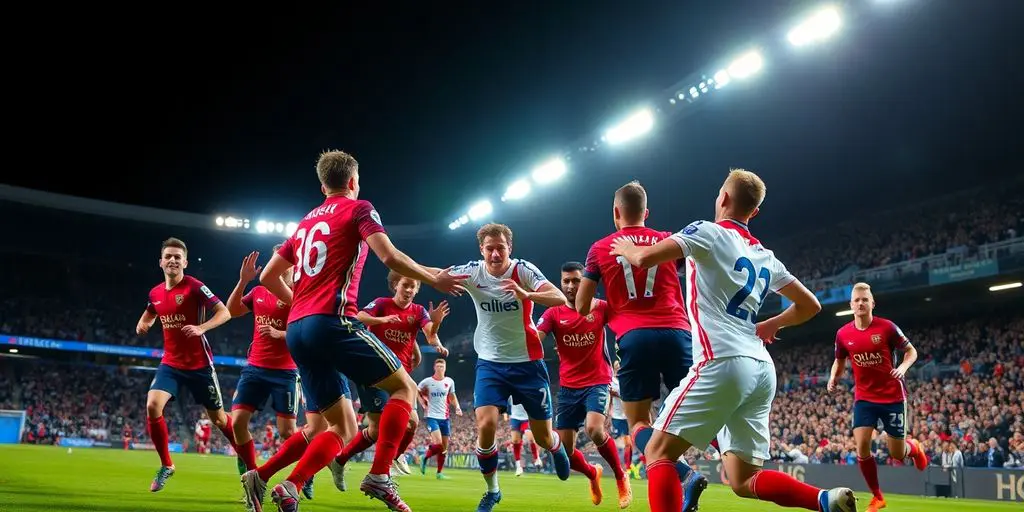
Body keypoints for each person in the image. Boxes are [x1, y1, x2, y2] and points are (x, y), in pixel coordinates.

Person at [610, 169, 856, 512]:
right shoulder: (764, 255)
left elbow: (644, 258)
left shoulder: (706, 232)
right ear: (753, 212)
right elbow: (810, 305)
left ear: (723, 198)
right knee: (743, 480)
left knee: (658, 452)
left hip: (721, 361)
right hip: (760, 369)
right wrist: (772, 323)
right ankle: (824, 499)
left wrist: (626, 246)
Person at [244, 149, 464, 512]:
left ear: (322, 186)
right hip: (332, 322)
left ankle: (280, 482)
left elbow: (268, 277)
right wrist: (433, 278)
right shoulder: (359, 208)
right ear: (353, 181)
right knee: (405, 388)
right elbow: (390, 257)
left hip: (299, 328)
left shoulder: (304, 223)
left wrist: (299, 302)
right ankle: (379, 476)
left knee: (340, 428)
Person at [574, 180, 696, 495]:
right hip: (679, 334)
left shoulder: (600, 248)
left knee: (639, 424)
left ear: (616, 212)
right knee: (694, 411)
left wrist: (610, 302)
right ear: (646, 212)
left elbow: (582, 305)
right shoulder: (669, 240)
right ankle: (732, 455)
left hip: (634, 337)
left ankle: (685, 474)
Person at [444, 223, 572, 512]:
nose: (495, 253)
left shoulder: (523, 270)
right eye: (489, 248)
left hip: (528, 364)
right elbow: (436, 275)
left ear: (509, 248)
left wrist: (528, 295)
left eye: (500, 247)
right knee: (486, 425)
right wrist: (402, 263)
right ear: (481, 250)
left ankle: (554, 446)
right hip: (490, 364)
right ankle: (493, 491)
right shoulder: (474, 272)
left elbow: (559, 298)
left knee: (541, 435)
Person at [329, 271, 451, 485]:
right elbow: (358, 317)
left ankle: (391, 459)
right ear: (395, 285)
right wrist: (381, 319)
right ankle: (344, 461)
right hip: (373, 372)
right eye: (406, 285)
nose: (410, 290)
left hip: (400, 378)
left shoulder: (419, 311)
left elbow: (430, 335)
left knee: (412, 423)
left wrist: (437, 326)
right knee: (376, 430)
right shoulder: (381, 304)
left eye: (414, 287)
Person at [136, 237, 238, 492]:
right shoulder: (156, 292)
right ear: (160, 262)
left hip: (200, 365)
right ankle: (167, 465)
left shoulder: (195, 287)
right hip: (171, 363)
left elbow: (224, 312)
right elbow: (151, 310)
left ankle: (243, 454)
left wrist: (201, 327)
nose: (172, 260)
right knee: (152, 405)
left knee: (219, 420)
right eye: (168, 256)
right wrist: (144, 323)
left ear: (185, 262)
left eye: (177, 257)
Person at [537, 261, 631, 508]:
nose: (570, 285)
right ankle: (592, 473)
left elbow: (626, 325)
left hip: (598, 380)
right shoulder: (553, 313)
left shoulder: (600, 308)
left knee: (594, 429)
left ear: (585, 282)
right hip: (568, 387)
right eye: (566, 281)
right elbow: (536, 339)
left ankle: (621, 477)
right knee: (565, 451)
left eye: (576, 280)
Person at [828, 282, 928, 512]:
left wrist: (902, 368)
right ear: (851, 305)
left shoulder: (887, 328)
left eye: (865, 299)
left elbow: (911, 351)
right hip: (864, 398)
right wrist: (834, 377)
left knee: (897, 453)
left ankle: (914, 448)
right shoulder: (843, 334)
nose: (861, 303)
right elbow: (839, 359)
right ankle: (877, 496)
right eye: (857, 300)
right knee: (861, 447)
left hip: (893, 397)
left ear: (872, 303)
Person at [226, 248, 317, 500]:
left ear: (293, 265)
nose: (280, 265)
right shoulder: (258, 292)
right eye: (277, 260)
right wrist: (244, 280)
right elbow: (231, 311)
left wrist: (281, 335)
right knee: (237, 422)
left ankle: (306, 472)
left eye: (286, 262)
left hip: (286, 373)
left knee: (288, 432)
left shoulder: (299, 295)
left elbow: (309, 334)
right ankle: (251, 471)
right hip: (254, 368)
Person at [417, 358, 463, 479]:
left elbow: (452, 396)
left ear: (445, 368)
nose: (440, 369)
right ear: (434, 368)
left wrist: (457, 407)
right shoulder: (427, 382)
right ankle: (424, 457)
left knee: (443, 448)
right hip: (432, 416)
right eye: (438, 366)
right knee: (437, 443)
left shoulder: (449, 381)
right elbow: (417, 391)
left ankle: (439, 473)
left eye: (442, 367)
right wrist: (422, 403)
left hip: (445, 417)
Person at [607, 363, 633, 472]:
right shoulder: (612, 381)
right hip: (616, 416)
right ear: (614, 369)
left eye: (620, 367)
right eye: (616, 368)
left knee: (628, 444)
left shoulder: (627, 379)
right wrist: (608, 415)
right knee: (618, 444)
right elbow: (610, 397)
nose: (618, 369)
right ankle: (616, 466)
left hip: (627, 416)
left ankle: (627, 468)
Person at [505, 400, 540, 476]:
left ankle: (536, 458)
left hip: (527, 417)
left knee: (530, 437)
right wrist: (506, 413)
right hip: (515, 418)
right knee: (515, 441)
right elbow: (507, 402)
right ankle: (518, 467)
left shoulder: (526, 389)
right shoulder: (510, 391)